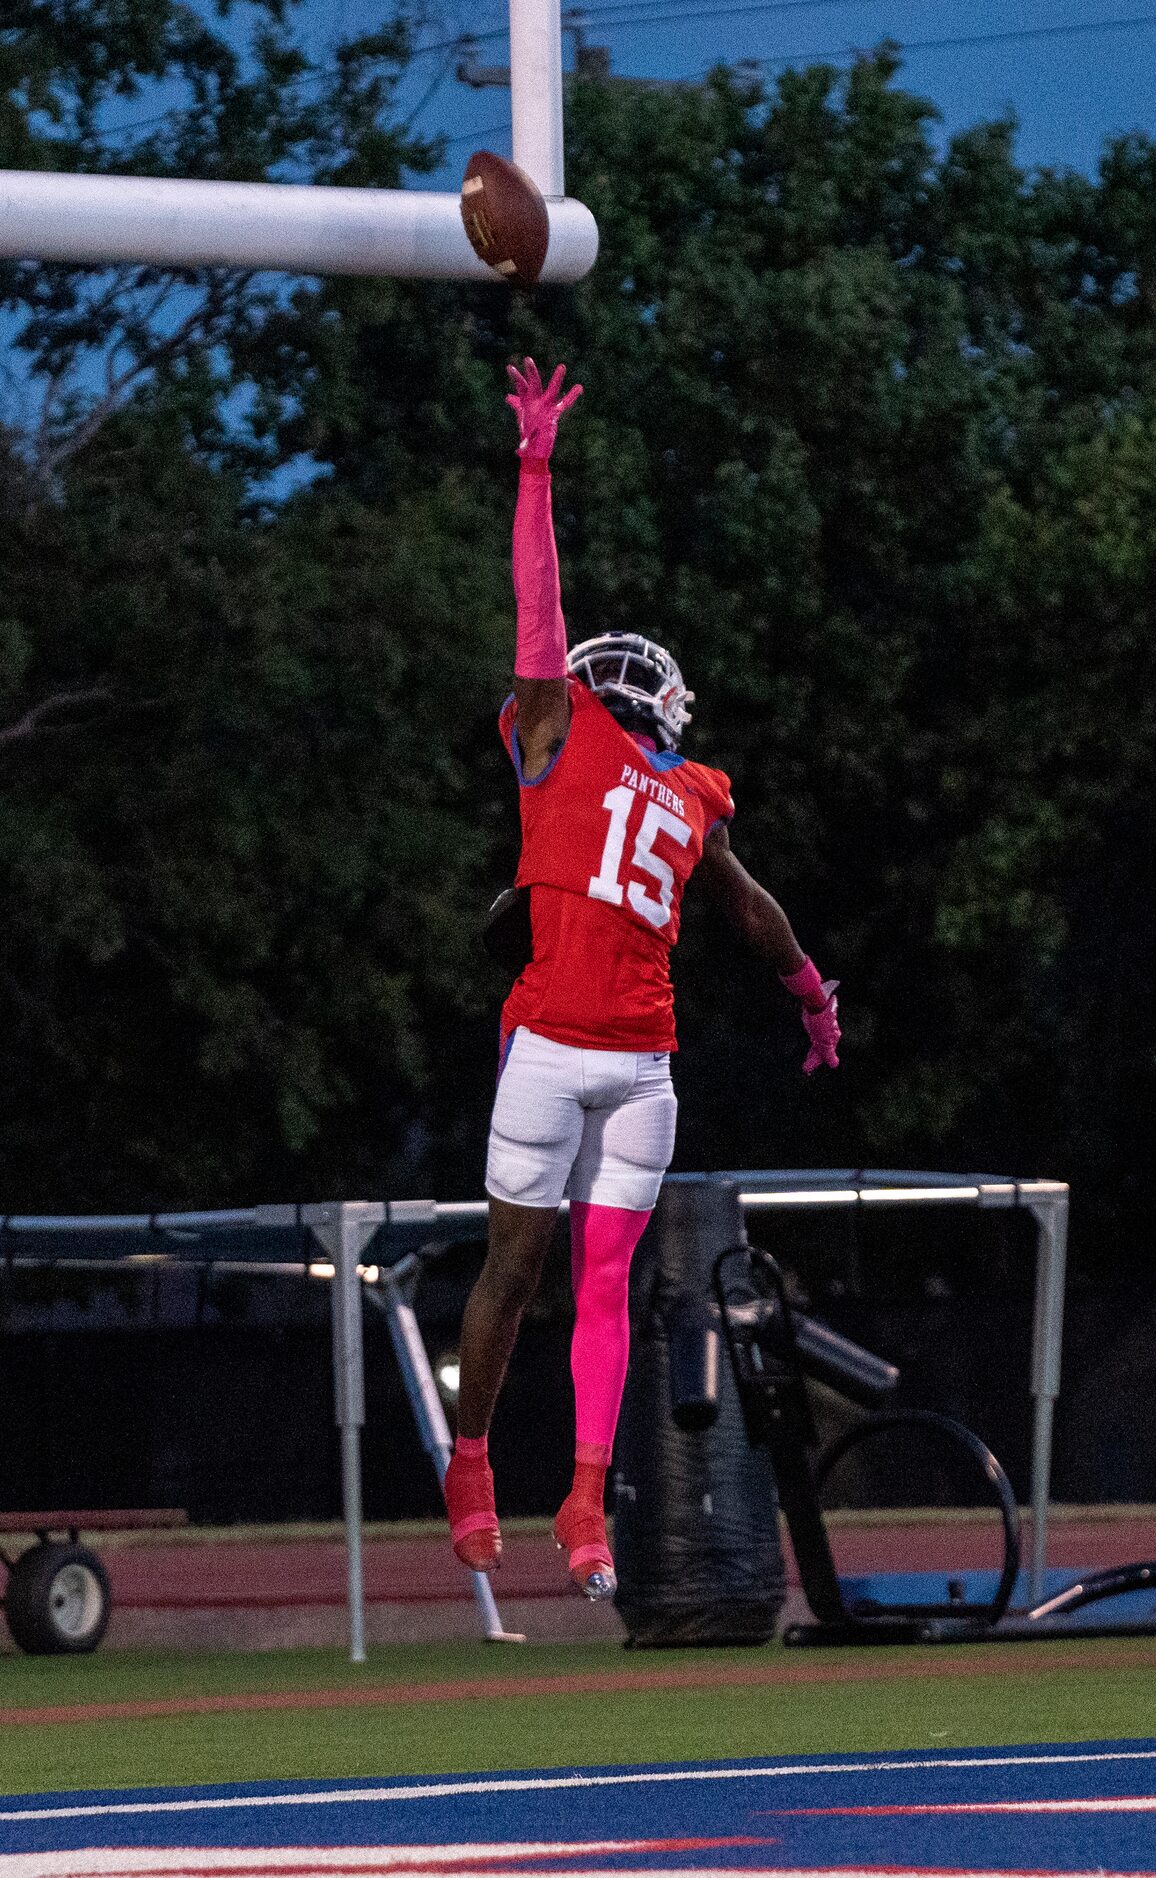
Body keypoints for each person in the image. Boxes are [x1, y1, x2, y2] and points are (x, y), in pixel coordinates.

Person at [444, 359, 841, 1600]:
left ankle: (579, 1497)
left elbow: (744, 902)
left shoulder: (685, 793)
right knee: (526, 1271)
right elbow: (534, 609)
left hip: (636, 1062)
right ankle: (473, 1462)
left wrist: (809, 988)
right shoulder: (574, 734)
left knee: (591, 1281)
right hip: (562, 1044)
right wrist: (533, 467)